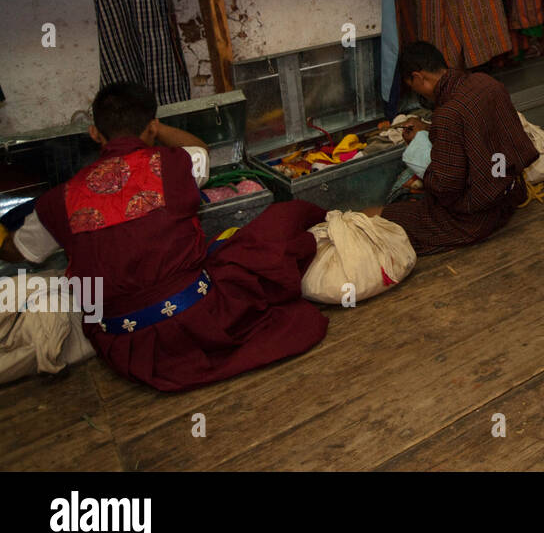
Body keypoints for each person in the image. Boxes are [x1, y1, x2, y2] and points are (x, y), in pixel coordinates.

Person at [0, 82, 327, 392]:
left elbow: (20, 251)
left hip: (125, 342)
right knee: (276, 224)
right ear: (152, 126)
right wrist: (154, 129)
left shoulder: (58, 200)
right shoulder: (172, 163)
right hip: (202, 316)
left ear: (94, 132)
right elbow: (200, 149)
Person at [373, 41, 539, 254]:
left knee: (383, 215)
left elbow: (446, 187)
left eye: (413, 87)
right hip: (510, 196)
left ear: (418, 77)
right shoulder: (485, 82)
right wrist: (429, 128)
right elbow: (479, 132)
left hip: (476, 219)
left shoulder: (448, 115)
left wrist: (418, 149)